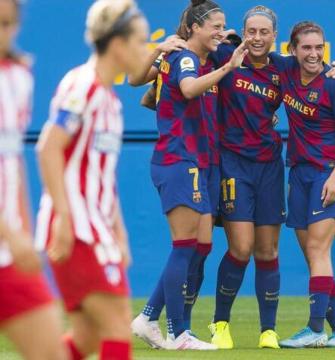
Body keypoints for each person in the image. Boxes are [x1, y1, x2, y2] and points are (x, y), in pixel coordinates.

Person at [208, 6, 335, 349]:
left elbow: (314, 61)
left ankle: (268, 330)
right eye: (251, 31)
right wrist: (166, 46)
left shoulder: (283, 67)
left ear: (275, 39)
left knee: (268, 251)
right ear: (243, 32)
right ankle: (220, 323)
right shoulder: (225, 55)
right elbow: (192, 47)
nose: (257, 38)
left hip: (271, 165)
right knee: (241, 247)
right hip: (233, 165)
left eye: (264, 32)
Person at [127, 0, 247, 350]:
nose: (221, 32)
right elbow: (182, 87)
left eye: (224, 26)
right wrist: (158, 48)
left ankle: (149, 316)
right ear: (194, 27)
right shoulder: (183, 58)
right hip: (180, 159)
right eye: (216, 25)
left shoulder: (207, 59)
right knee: (184, 246)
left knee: (201, 245)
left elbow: (159, 94)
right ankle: (179, 333)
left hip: (203, 161)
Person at [34, 1, 150, 359]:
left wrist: (120, 231)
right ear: (117, 44)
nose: (144, 51)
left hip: (96, 229)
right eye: (140, 42)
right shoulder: (82, 85)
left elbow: (102, 176)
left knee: (85, 338)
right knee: (117, 327)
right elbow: (48, 149)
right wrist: (65, 219)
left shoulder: (111, 102)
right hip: (77, 231)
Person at [276, 21, 335, 349]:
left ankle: (314, 329)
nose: (314, 54)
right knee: (314, 256)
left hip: (328, 173)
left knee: (318, 250)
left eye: (319, 47)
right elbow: (250, 52)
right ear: (292, 50)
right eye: (307, 48)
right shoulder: (284, 70)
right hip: (298, 172)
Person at [0, 0, 67, 359]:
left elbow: (13, 164)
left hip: (9, 255)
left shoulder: (19, 77)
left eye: (7, 23)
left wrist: (23, 233)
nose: (2, 32)